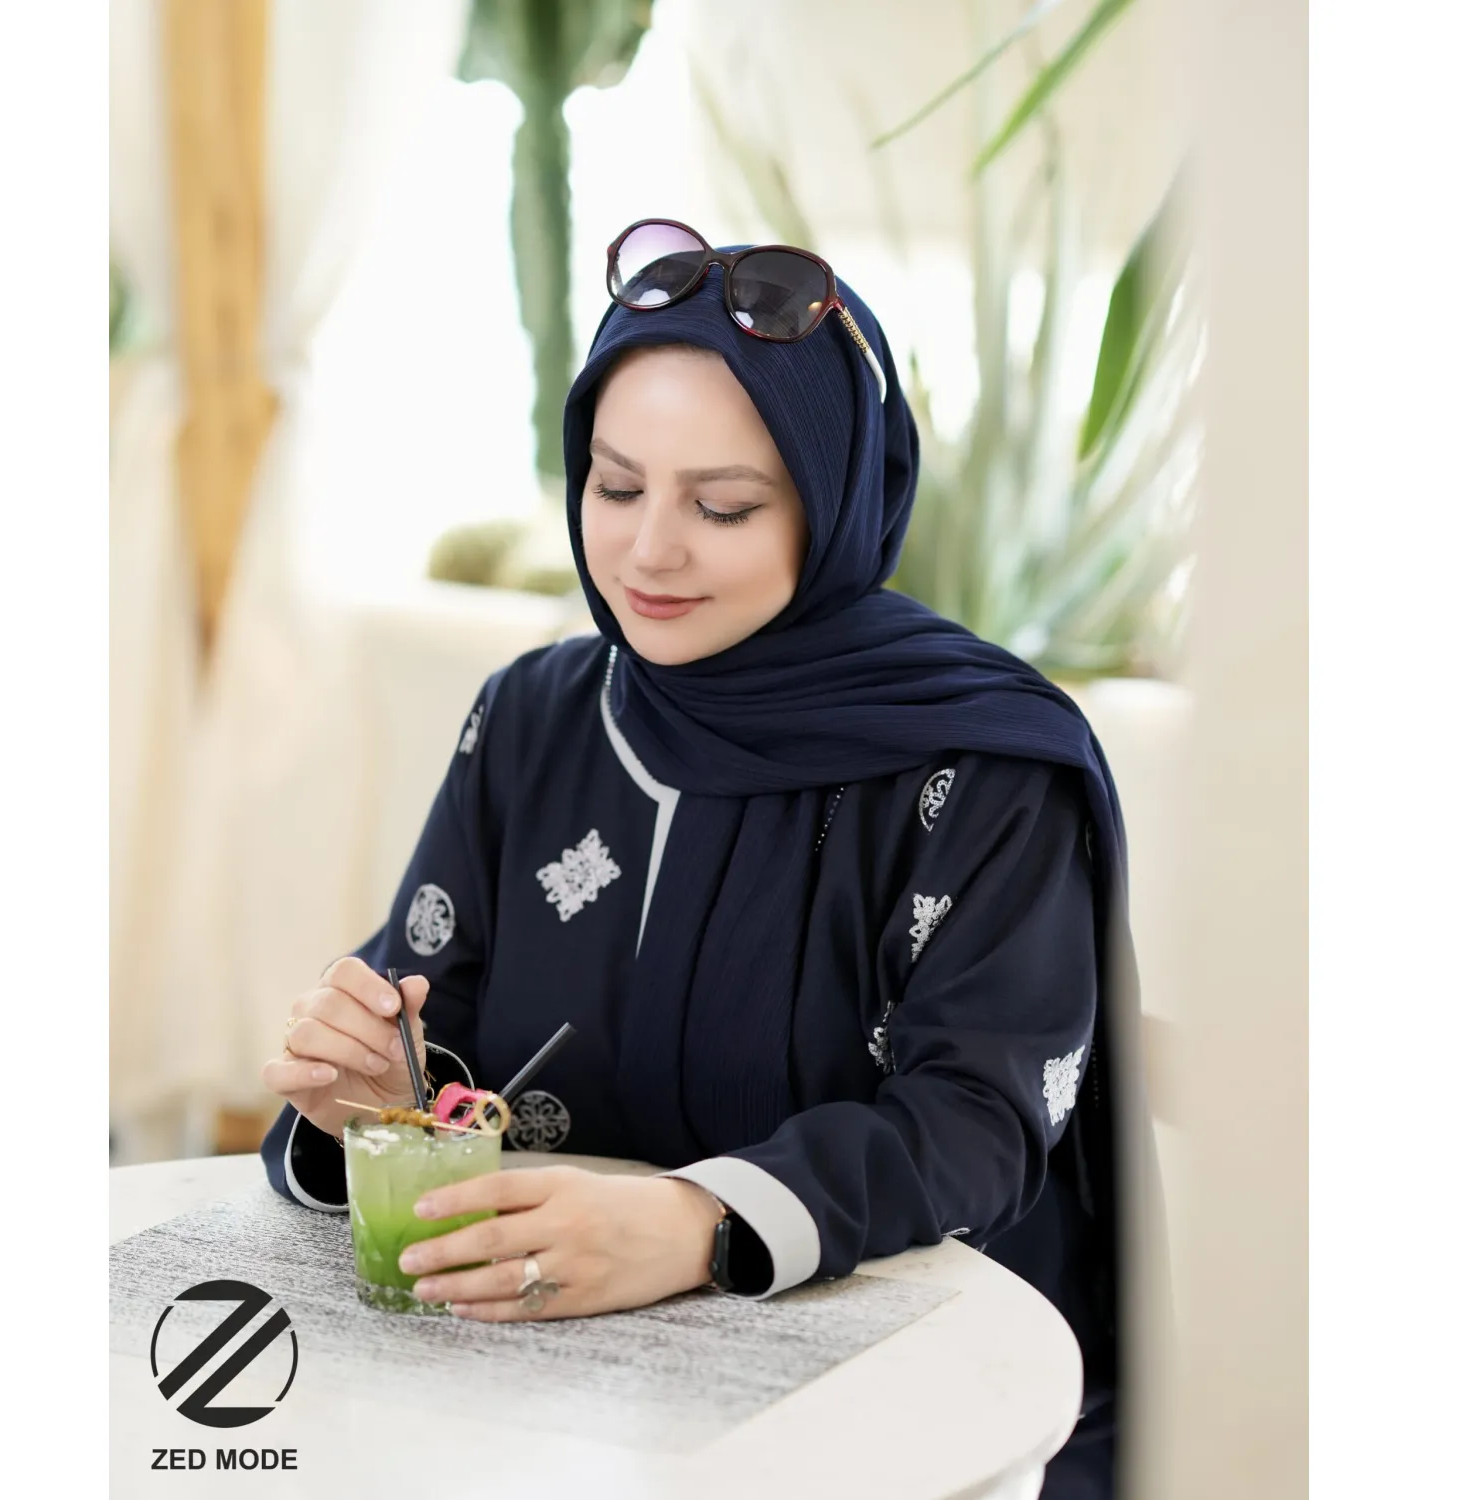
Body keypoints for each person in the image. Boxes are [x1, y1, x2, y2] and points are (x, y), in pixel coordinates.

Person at [261, 220, 1147, 1497]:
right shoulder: (537, 718)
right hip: (533, 1405)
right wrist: (372, 1099)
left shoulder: (987, 764)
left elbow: (979, 1121)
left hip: (890, 1411)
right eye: (615, 488)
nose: (647, 552)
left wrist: (700, 1223)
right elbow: (431, 1024)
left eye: (722, 506)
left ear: (836, 503)